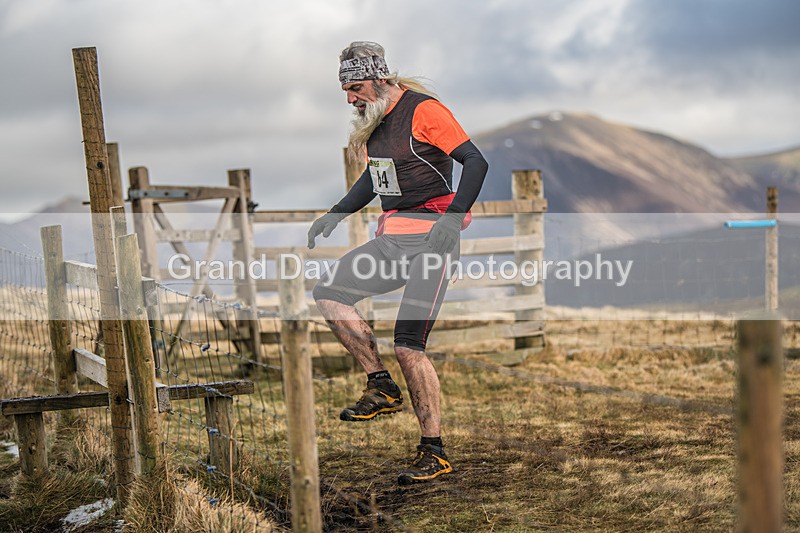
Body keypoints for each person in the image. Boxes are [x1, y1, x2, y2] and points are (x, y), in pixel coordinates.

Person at [308, 41, 488, 484]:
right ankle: (380, 385)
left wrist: (450, 221)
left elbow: (475, 162)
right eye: (345, 91)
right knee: (329, 293)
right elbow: (376, 179)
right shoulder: (374, 124)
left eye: (355, 87)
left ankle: (434, 450)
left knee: (409, 345)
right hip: (393, 242)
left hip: (432, 242)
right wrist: (336, 214)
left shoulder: (424, 111)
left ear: (381, 78)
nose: (350, 98)